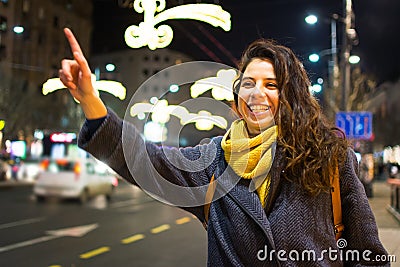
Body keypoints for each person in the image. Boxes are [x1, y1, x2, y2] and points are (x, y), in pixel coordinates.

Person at [59, 27, 389, 266]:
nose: (256, 93)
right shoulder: (214, 159)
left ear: (291, 96)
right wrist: (90, 99)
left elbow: (369, 256)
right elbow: (144, 160)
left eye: (271, 85)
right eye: (248, 84)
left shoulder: (330, 158)